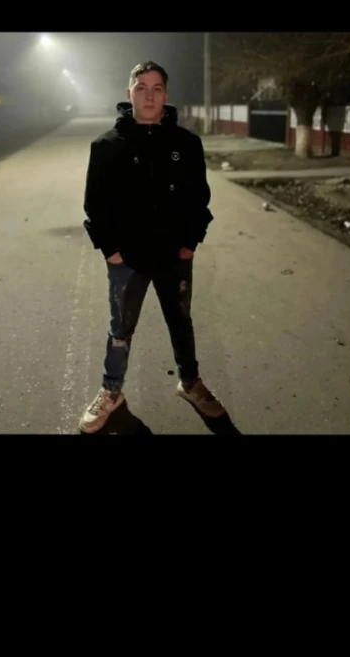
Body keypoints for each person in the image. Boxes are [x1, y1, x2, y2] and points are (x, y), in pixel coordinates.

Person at [80, 60, 225, 433]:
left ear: (166, 95)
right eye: (141, 87)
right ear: (128, 94)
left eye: (157, 88)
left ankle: (190, 382)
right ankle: (111, 392)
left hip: (174, 257)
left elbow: (199, 199)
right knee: (120, 329)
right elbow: (95, 205)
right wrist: (110, 251)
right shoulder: (107, 146)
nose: (149, 95)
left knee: (181, 322)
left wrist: (190, 244)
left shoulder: (186, 144)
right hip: (126, 260)